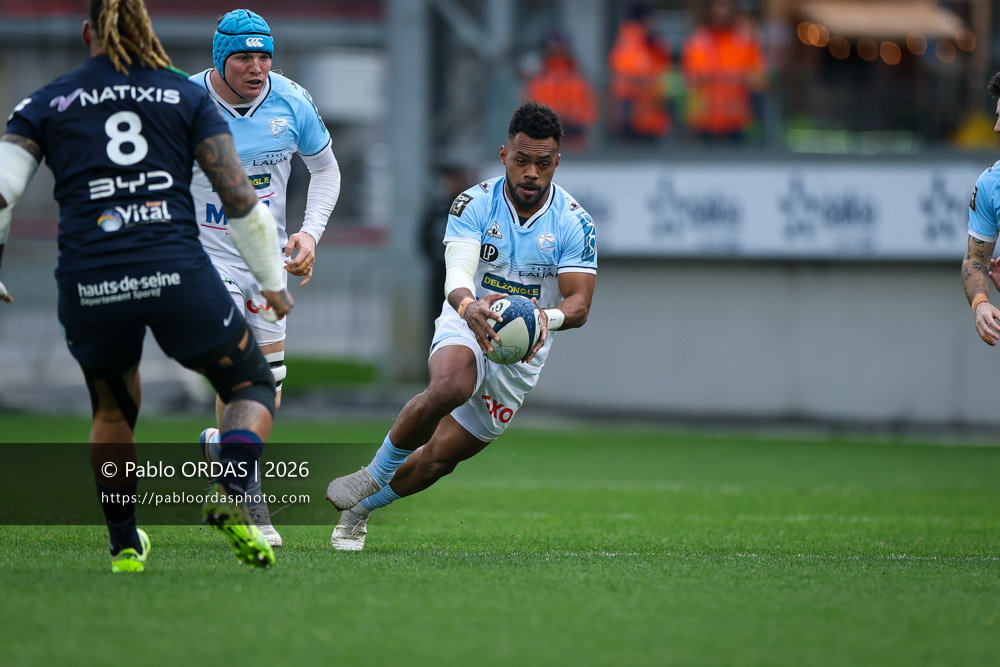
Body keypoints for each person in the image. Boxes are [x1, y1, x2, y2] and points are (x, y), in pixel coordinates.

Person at [0, 0, 293, 572]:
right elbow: (240, 199)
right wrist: (271, 282)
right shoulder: (186, 96)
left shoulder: (45, 101)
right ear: (149, 34)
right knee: (253, 383)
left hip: (91, 276)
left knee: (111, 412)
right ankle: (235, 479)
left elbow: (2, 191)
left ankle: (125, 543)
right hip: (176, 270)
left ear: (89, 33)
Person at [325, 101, 597, 551]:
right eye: (522, 160)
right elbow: (458, 270)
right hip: (468, 315)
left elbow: (580, 304)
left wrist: (541, 320)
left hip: (524, 348)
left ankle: (361, 510)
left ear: (557, 163)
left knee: (439, 460)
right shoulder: (472, 203)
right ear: (504, 154)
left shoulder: (573, 221)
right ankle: (370, 475)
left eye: (543, 163)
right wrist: (468, 305)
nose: (532, 172)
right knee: (451, 385)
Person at [190, 9, 341, 548]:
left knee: (269, 386)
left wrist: (310, 234)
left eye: (264, 56)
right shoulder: (188, 103)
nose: (257, 68)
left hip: (267, 259)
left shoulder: (291, 101)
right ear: (219, 60)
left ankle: (223, 449)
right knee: (238, 371)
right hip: (205, 257)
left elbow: (325, 170)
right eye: (243, 58)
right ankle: (247, 493)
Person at [681, 0, 766, 143]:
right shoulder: (699, 38)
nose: (721, 11)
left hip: (736, 121)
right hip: (704, 121)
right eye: (718, 5)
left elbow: (759, 78)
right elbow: (690, 77)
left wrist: (739, 78)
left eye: (725, 5)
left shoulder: (744, 39)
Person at [524, 31, 598, 152]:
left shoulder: (577, 77)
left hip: (575, 136)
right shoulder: (537, 78)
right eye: (553, 49)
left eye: (560, 48)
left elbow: (589, 108)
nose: (556, 52)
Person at [608, 3, 672, 142]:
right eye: (652, 19)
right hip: (633, 114)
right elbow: (634, 73)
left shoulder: (650, 42)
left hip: (649, 114)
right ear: (643, 19)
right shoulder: (631, 41)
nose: (655, 23)